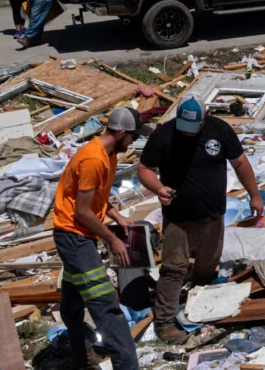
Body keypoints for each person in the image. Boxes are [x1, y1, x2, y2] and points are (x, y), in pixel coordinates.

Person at [137, 96, 264, 344]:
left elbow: (239, 163)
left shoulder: (219, 130)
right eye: (183, 128)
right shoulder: (163, 135)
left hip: (213, 215)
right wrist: (159, 188)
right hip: (179, 217)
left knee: (208, 264)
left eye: (193, 129)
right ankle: (165, 323)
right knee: (174, 269)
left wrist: (255, 195)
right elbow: (144, 169)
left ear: (203, 120)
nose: (187, 133)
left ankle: (201, 307)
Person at [53, 107, 152, 369]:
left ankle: (80, 352)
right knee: (107, 307)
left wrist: (116, 216)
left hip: (79, 237)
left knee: (72, 302)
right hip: (74, 237)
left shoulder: (110, 155)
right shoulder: (93, 159)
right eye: (132, 136)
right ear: (120, 133)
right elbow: (83, 211)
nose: (133, 142)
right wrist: (113, 240)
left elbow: (97, 197)